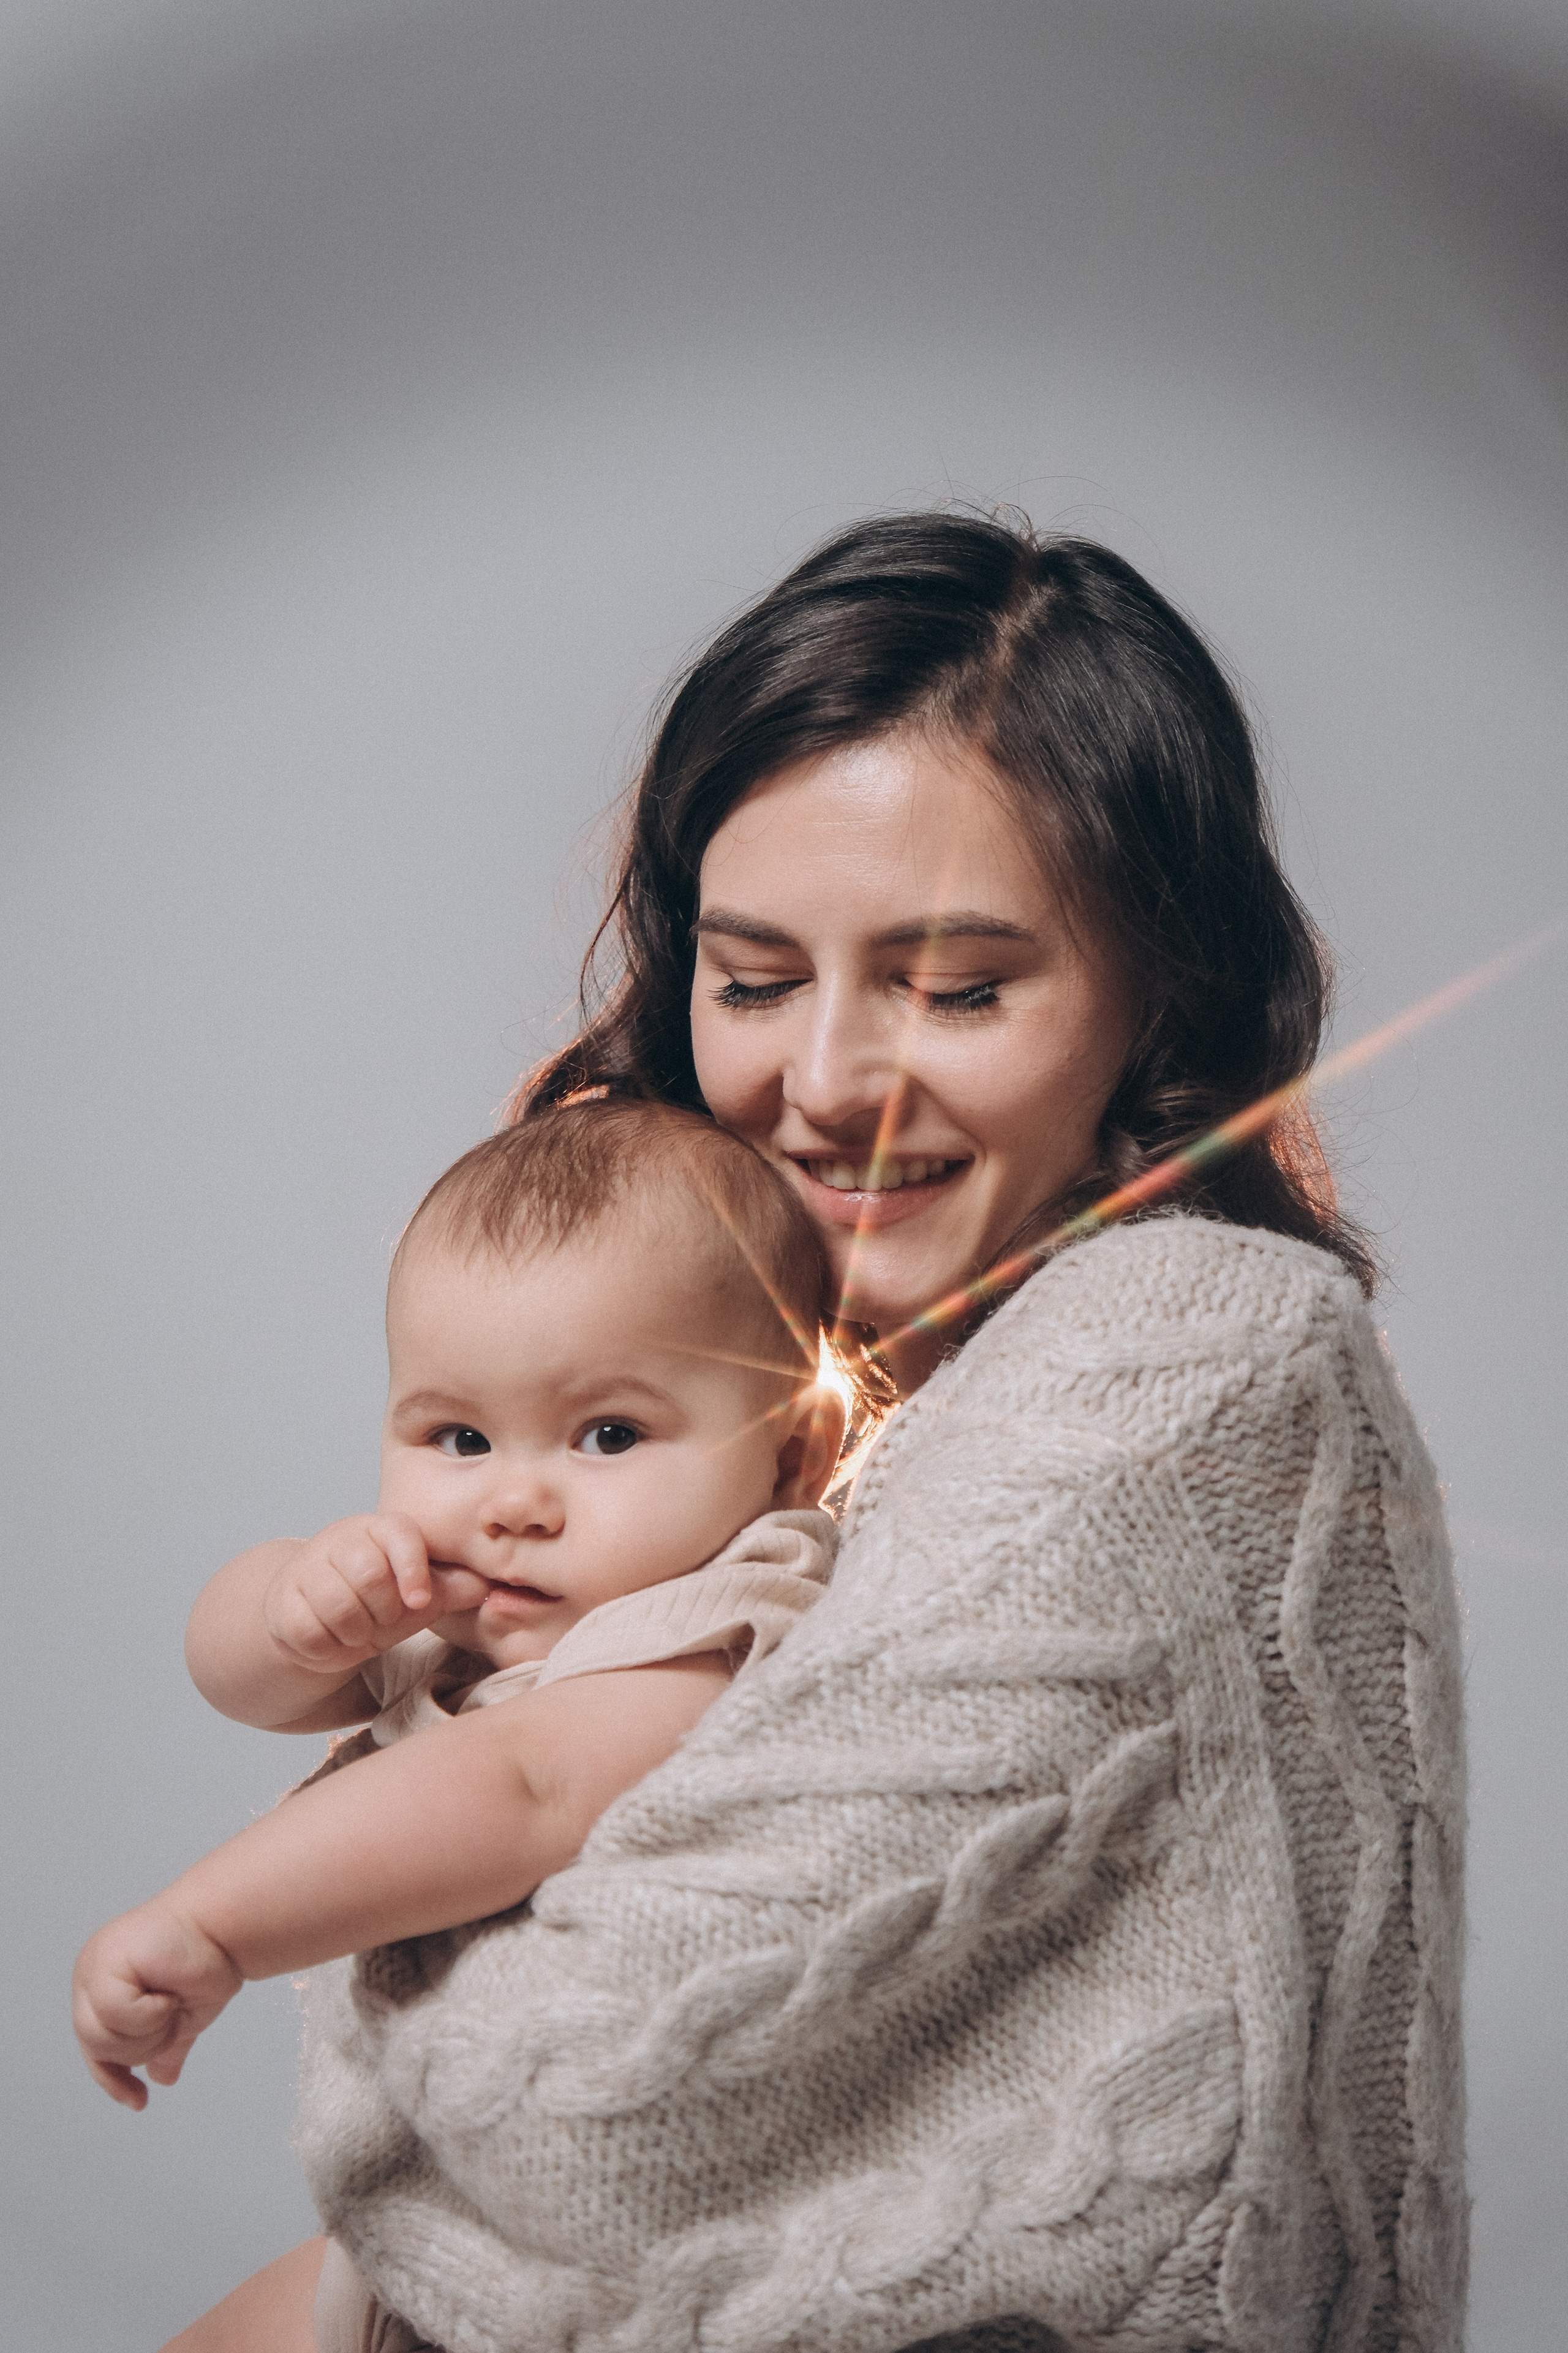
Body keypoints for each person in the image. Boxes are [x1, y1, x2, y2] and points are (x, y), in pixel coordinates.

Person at [144, 512, 1466, 2353]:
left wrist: (319, 1883)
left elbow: (578, 2095)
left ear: (1159, 983)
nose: (826, 1082)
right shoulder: (776, 1354)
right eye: (755, 978)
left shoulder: (1186, 1349)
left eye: (958, 986)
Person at [72, 1103, 847, 2352]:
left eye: (608, 1434)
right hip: (420, 2224)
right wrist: (291, 1612)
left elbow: (521, 1786)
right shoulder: (462, 1609)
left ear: (790, 1453)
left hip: (577, 2276)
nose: (510, 1501)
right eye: (457, 1436)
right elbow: (242, 1684)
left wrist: (212, 1922)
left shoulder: (715, 1624)